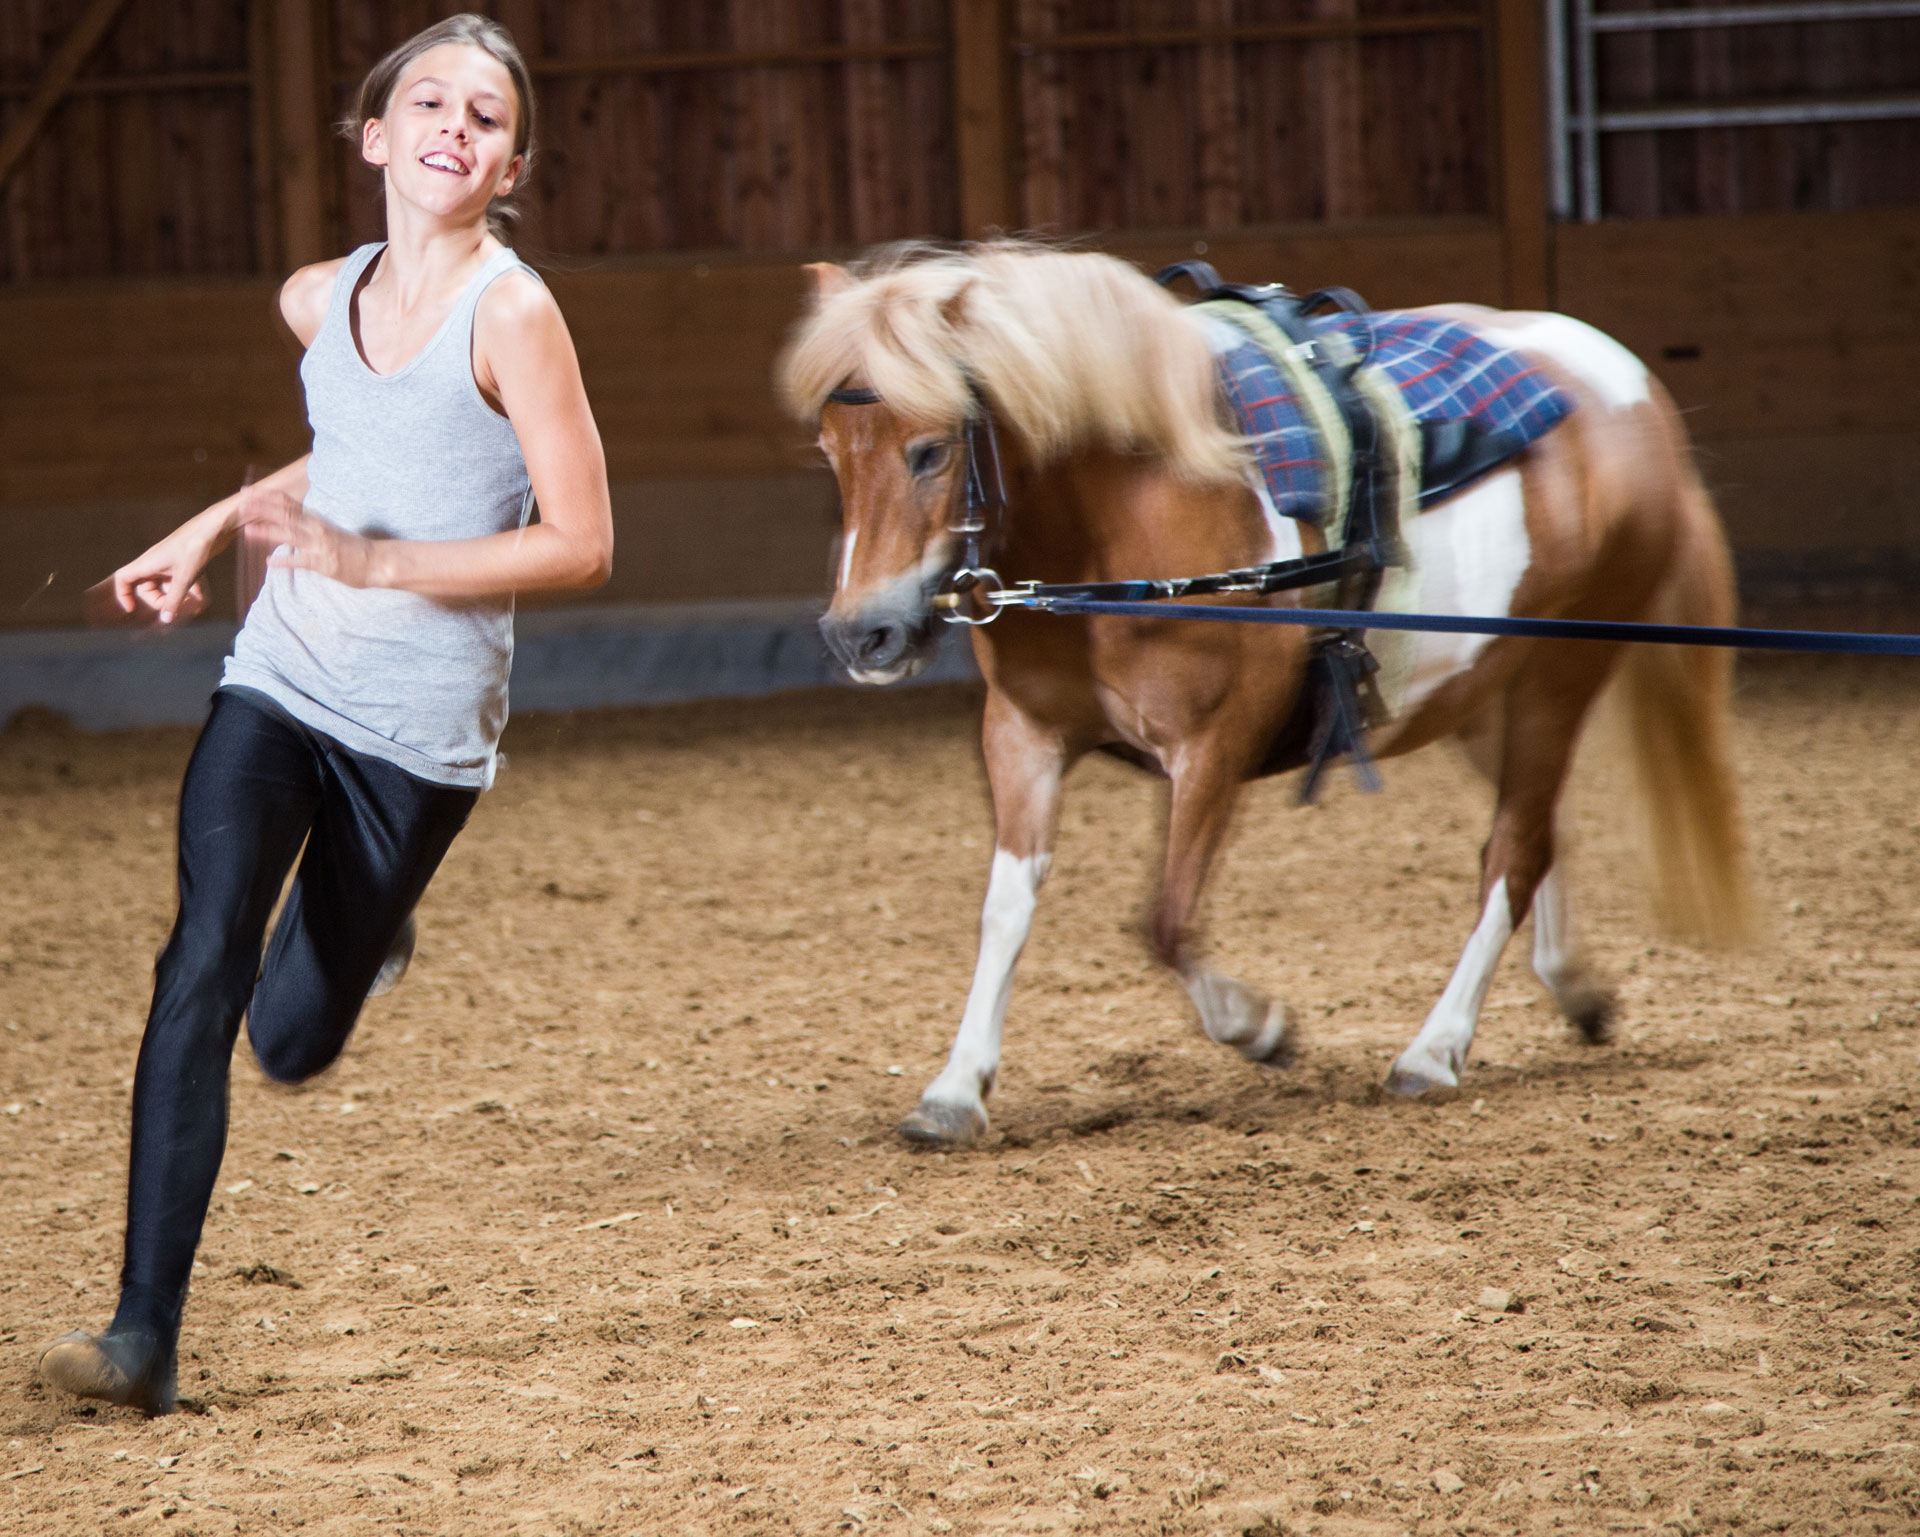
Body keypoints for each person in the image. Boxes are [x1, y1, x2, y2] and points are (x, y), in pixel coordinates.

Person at [39, 14, 611, 1415]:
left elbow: (585, 540)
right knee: (199, 962)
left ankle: (363, 930)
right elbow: (342, 443)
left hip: (415, 739)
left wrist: (382, 562)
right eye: (430, 100)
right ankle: (142, 1335)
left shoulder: (516, 315)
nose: (453, 125)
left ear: (508, 165)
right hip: (281, 680)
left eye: (485, 116)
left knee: (290, 1035)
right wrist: (200, 528)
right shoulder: (317, 296)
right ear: (374, 136)